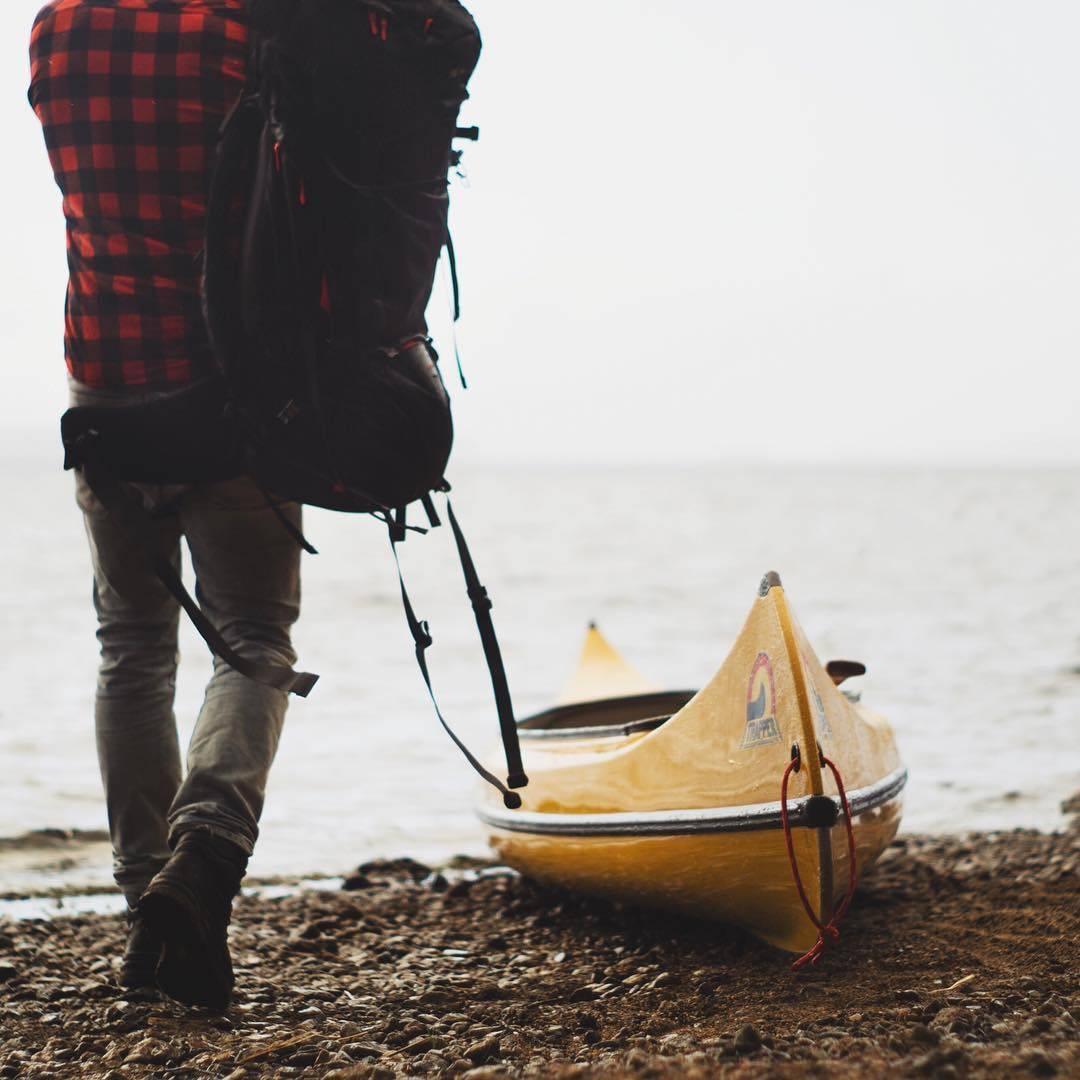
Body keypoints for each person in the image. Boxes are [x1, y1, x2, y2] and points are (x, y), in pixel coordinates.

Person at [28, 0, 297, 1011]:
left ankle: (148, 907)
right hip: (227, 394)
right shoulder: (239, 33)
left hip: (103, 391)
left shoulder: (54, 32)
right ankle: (206, 858)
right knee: (255, 642)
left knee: (132, 649)